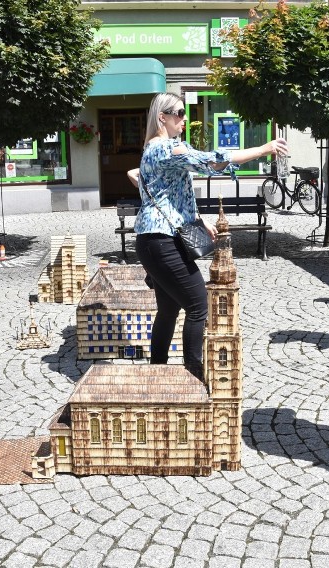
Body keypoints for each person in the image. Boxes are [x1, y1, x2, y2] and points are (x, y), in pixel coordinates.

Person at [127, 93, 286, 380]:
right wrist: (263, 148)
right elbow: (214, 160)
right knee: (199, 305)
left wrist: (197, 219)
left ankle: (158, 375)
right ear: (162, 117)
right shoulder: (167, 149)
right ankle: (193, 377)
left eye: (183, 113)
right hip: (160, 242)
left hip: (155, 240)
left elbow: (157, 187)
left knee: (169, 309)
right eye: (177, 113)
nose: (183, 118)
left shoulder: (152, 149)